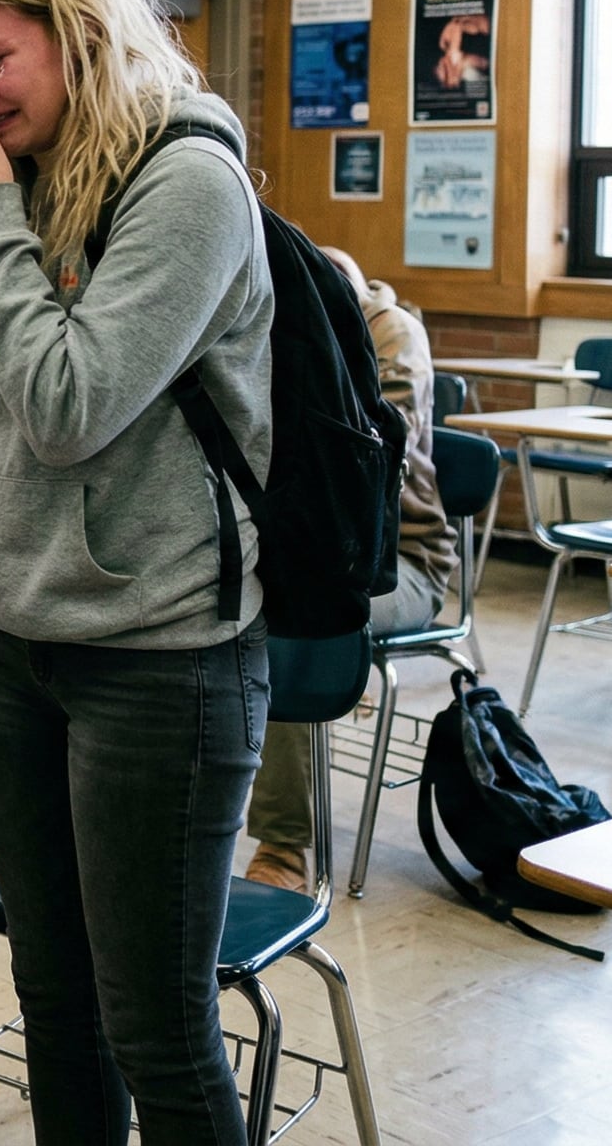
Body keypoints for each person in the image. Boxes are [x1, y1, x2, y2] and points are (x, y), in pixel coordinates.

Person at [0, 0, 275, 1146]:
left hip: (165, 667)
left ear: (82, 31)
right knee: (53, 1003)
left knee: (154, 1027)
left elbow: (68, 410)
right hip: (27, 652)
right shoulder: (12, 188)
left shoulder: (190, 183)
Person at [241, 246, 457, 890]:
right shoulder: (282, 323)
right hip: (316, 549)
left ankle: (285, 847)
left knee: (293, 621)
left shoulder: (394, 333)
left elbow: (363, 454)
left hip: (404, 565)